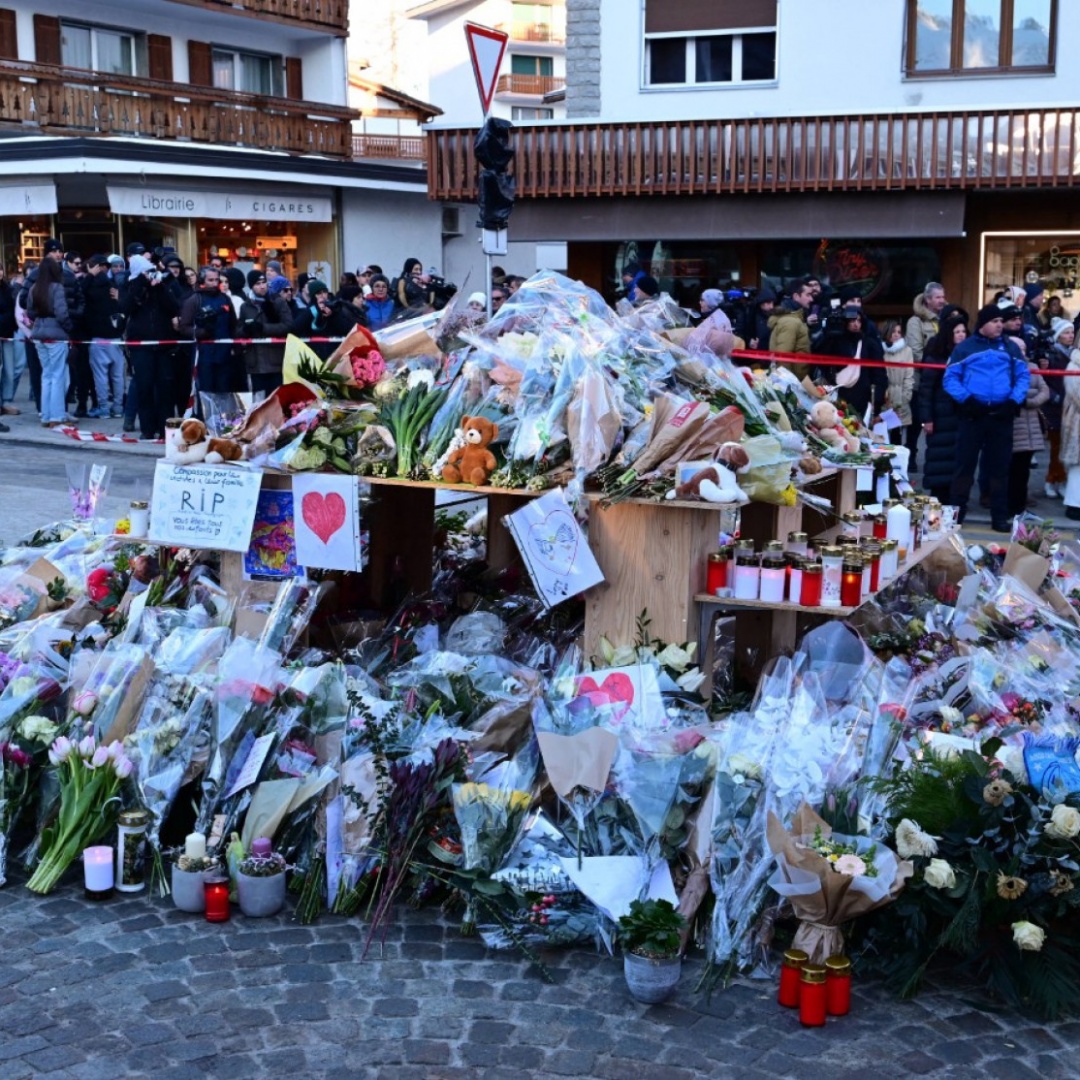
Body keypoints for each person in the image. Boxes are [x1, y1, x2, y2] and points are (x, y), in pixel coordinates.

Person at [943, 303, 1030, 531]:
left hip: (1001, 415)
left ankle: (999, 517)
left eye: (1001, 321)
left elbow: (1023, 376)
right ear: (983, 324)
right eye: (995, 321)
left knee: (999, 469)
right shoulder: (965, 348)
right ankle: (956, 515)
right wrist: (966, 400)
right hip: (973, 416)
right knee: (964, 467)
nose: (1000, 325)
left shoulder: (1010, 347)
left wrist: (1013, 401)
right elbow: (950, 378)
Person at [919, 307, 970, 504]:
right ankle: (939, 499)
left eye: (963, 331)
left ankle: (956, 501)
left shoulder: (969, 356)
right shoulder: (936, 356)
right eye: (957, 332)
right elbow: (926, 391)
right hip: (940, 417)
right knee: (939, 460)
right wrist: (927, 418)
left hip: (961, 417)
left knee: (959, 460)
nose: (961, 335)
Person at [814, 307, 887, 420]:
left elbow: (879, 374)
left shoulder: (869, 344)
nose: (856, 324)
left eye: (859, 320)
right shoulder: (835, 340)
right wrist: (828, 336)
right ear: (845, 322)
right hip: (837, 394)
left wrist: (877, 399)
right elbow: (821, 360)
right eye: (852, 320)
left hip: (862, 397)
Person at [25, 257, 73, 427]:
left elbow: (30, 312)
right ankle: (57, 417)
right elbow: (61, 313)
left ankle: (45, 416)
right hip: (56, 334)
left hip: (39, 333)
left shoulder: (34, 288)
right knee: (58, 376)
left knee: (46, 375)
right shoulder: (57, 287)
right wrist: (69, 328)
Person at [177, 265, 235, 396]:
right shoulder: (194, 300)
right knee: (205, 393)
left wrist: (236, 346)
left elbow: (233, 325)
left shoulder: (225, 299)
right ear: (202, 280)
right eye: (211, 280)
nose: (214, 283)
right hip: (203, 355)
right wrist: (201, 332)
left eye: (217, 280)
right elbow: (184, 328)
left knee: (224, 393)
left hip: (224, 354)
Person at [82, 254, 126, 418]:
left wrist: (88, 276)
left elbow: (79, 295)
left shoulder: (89, 288)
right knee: (118, 376)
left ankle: (103, 408)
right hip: (115, 337)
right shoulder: (114, 286)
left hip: (98, 338)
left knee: (100, 376)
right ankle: (118, 408)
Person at [239, 273, 293, 395]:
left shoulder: (277, 302)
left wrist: (263, 328)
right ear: (251, 286)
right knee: (259, 400)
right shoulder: (245, 306)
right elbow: (238, 330)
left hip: (275, 361)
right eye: (258, 284)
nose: (262, 286)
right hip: (255, 363)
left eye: (264, 283)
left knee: (277, 399)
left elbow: (288, 326)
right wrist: (246, 330)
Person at [1008, 352, 1049, 517]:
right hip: (1013, 423)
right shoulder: (1005, 367)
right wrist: (1022, 398)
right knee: (1010, 469)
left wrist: (1030, 401)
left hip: (1031, 425)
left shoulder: (1032, 367)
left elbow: (1044, 391)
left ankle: (1019, 507)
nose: (1022, 351)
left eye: (1024, 348)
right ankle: (1009, 507)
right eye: (1019, 348)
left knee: (1023, 470)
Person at [291, 280, 361, 360]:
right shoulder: (307, 311)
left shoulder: (333, 308)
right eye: (318, 293)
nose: (322, 296)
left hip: (332, 355)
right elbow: (296, 328)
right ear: (313, 296)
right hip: (312, 356)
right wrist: (315, 311)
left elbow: (348, 328)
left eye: (324, 292)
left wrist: (333, 315)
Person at [1043, 317, 1074, 498]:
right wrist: (1055, 397)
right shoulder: (1051, 355)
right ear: (1058, 336)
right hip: (1055, 408)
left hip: (1069, 407)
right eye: (1066, 333)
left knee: (1065, 447)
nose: (1070, 336)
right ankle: (1051, 479)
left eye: (1071, 332)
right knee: (1056, 447)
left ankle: (1061, 479)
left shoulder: (1073, 355)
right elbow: (1045, 380)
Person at [767, 280, 813, 378]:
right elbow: (783, 359)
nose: (811, 299)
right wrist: (789, 384)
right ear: (796, 296)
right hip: (791, 381)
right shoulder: (790, 321)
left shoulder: (795, 318)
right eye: (808, 295)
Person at [881, 319, 914, 446]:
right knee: (882, 436)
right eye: (893, 331)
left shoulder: (907, 351)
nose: (896, 334)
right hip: (885, 398)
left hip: (901, 397)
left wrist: (906, 396)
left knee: (897, 437)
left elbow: (909, 376)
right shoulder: (880, 350)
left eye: (899, 332)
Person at [1061, 337, 1080, 521]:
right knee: (1077, 464)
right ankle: (1074, 504)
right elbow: (1076, 394)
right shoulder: (1074, 365)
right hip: (1077, 421)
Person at [685, 290, 734, 358]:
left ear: (710, 302)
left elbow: (714, 346)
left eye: (702, 300)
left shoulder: (716, 320)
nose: (700, 302)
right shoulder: (716, 316)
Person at [0, 263, 18, 423]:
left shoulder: (7, 288)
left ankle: (5, 401)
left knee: (10, 370)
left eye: (0, 269)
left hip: (8, 334)